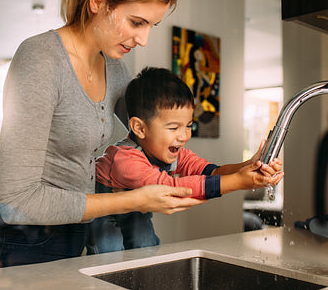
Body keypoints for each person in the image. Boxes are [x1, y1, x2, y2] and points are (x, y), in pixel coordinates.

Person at [0, 0, 207, 269]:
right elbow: (14, 202)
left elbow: (159, 138)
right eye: (137, 22)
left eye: (151, 25)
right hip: (19, 242)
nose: (143, 39)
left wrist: (238, 172)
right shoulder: (41, 60)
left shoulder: (115, 70)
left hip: (73, 233)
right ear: (98, 1)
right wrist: (133, 200)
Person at [89, 67, 283, 254]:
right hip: (103, 210)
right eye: (173, 128)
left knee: (146, 246)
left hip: (137, 206)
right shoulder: (124, 158)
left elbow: (211, 172)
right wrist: (239, 181)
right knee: (109, 252)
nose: (183, 136)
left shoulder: (175, 153)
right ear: (140, 128)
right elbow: (169, 188)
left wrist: (249, 165)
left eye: (188, 125)